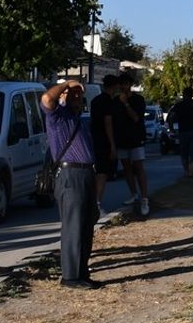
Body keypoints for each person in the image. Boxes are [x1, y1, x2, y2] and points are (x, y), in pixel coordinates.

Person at [40, 79, 101, 289]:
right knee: (73, 227)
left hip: (85, 174)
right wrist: (67, 83)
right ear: (64, 95)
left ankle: (81, 272)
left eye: (80, 94)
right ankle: (70, 276)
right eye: (72, 93)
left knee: (86, 226)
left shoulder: (79, 120)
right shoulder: (57, 116)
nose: (77, 96)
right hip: (69, 174)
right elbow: (47, 98)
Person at [109, 73, 150, 216]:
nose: (123, 87)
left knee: (138, 167)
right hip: (121, 139)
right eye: (121, 84)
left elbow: (136, 118)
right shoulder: (114, 102)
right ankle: (134, 194)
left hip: (136, 138)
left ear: (130, 85)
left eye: (125, 84)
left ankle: (144, 198)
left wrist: (126, 103)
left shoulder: (138, 99)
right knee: (126, 168)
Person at [88, 75, 120, 215]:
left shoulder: (95, 100)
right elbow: (108, 122)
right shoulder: (108, 102)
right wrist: (112, 144)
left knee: (98, 172)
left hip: (95, 138)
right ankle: (97, 203)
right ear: (114, 86)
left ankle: (94, 201)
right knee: (102, 173)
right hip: (104, 140)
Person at [167, 87, 193, 178]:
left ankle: (186, 171)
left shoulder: (179, 105)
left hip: (183, 132)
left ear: (183, 94)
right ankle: (191, 172)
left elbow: (171, 117)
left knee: (184, 152)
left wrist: (171, 129)